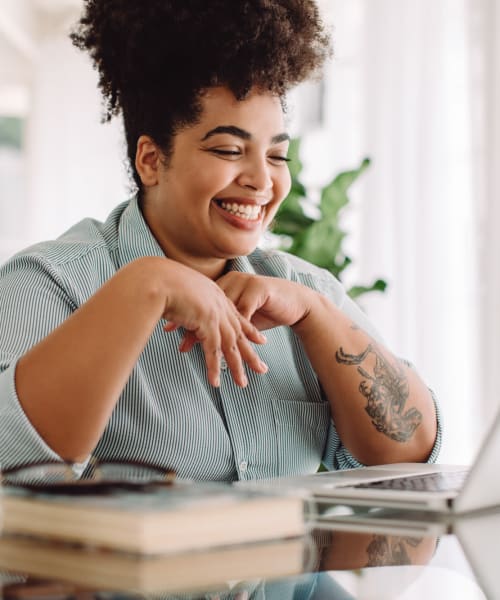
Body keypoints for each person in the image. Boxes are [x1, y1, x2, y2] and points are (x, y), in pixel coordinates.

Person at [0, 0, 440, 480]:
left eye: (277, 156)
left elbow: (410, 454)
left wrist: (317, 317)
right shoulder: (51, 281)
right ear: (150, 160)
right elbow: (13, 465)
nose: (261, 180)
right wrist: (146, 285)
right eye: (229, 150)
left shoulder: (302, 291)